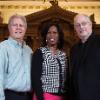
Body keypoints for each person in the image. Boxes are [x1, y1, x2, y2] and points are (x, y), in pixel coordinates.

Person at [31, 23, 69, 100]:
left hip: (61, 97)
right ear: (45, 36)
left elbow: (67, 78)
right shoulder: (40, 52)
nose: (52, 35)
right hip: (43, 96)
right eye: (49, 33)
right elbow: (35, 79)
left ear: (59, 36)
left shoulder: (63, 55)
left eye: (55, 33)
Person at [0, 14, 33, 100]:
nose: (18, 28)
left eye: (21, 25)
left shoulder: (28, 50)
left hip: (27, 96)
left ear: (25, 29)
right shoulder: (3, 48)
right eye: (15, 25)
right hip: (9, 96)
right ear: (9, 28)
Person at [70, 14, 100, 100]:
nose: (81, 27)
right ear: (75, 28)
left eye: (84, 23)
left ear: (90, 25)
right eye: (77, 25)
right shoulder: (73, 49)